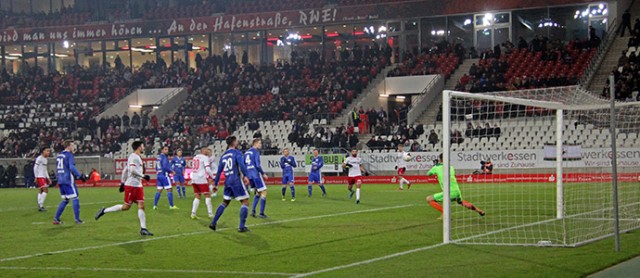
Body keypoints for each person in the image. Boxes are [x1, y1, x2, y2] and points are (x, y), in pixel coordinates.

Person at [95, 140, 153, 236]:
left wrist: (122, 182)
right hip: (131, 185)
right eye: (142, 146)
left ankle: (143, 228)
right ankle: (104, 210)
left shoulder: (136, 157)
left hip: (138, 185)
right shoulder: (134, 157)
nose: (144, 147)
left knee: (141, 205)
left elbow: (125, 170)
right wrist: (143, 176)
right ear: (139, 147)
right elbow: (131, 170)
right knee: (126, 207)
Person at [209, 136, 252, 233]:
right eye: (236, 141)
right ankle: (241, 226)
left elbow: (219, 171)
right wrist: (246, 176)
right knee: (245, 202)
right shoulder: (237, 152)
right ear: (233, 142)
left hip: (227, 181)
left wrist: (215, 184)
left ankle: (213, 223)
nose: (237, 142)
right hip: (236, 179)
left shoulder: (223, 155)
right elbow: (241, 165)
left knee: (225, 202)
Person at [426, 153, 485, 219]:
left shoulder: (436, 168)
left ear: (440, 159)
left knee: (429, 199)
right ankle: (479, 210)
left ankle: (444, 213)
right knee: (461, 202)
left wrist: (435, 165)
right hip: (457, 190)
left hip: (449, 192)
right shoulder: (451, 167)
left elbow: (428, 174)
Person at [53, 140, 88, 225]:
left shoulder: (59, 155)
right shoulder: (69, 155)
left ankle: (56, 219)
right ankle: (77, 219)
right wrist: (79, 176)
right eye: (72, 145)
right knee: (75, 197)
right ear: (68, 146)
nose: (74, 147)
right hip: (68, 179)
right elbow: (71, 166)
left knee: (65, 199)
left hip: (60, 180)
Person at [245, 138, 269, 218]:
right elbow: (257, 165)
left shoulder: (246, 152)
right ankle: (261, 213)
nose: (261, 145)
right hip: (255, 174)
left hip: (250, 175)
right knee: (264, 191)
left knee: (258, 192)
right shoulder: (255, 152)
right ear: (255, 143)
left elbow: (244, 165)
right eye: (259, 143)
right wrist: (263, 173)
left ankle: (253, 211)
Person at [190, 147, 215, 219]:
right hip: (201, 178)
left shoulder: (195, 157)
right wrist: (213, 177)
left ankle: (193, 213)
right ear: (203, 151)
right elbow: (207, 169)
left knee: (197, 195)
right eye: (206, 150)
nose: (208, 151)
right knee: (207, 194)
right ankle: (210, 213)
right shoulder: (204, 157)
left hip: (194, 178)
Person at [153, 146, 178, 210]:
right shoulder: (164, 157)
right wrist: (171, 171)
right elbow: (165, 167)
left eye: (167, 149)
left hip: (159, 175)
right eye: (165, 149)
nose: (167, 151)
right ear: (162, 150)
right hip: (165, 175)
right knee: (169, 189)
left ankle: (155, 205)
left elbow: (156, 167)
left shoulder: (158, 158)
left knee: (159, 190)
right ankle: (171, 206)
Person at [34, 147, 52, 211]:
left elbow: (45, 170)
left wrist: (48, 178)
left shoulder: (45, 159)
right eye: (47, 151)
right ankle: (41, 206)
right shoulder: (39, 158)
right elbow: (35, 168)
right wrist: (36, 176)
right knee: (46, 190)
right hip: (40, 176)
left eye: (49, 151)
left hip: (43, 177)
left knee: (41, 191)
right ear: (43, 151)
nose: (48, 152)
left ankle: (39, 204)